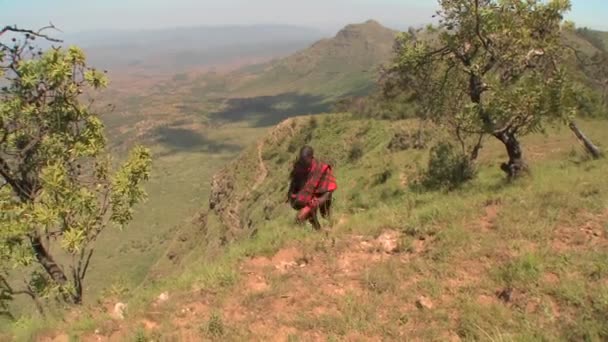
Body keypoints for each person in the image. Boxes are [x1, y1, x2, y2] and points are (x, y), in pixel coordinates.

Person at [287, 146, 337, 230]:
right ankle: (318, 230)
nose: (303, 163)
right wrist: (293, 196)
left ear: (311, 157)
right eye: (301, 160)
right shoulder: (299, 168)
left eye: (305, 160)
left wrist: (312, 205)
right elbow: (294, 183)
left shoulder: (321, 169)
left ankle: (333, 226)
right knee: (304, 216)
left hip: (321, 196)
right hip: (307, 196)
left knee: (325, 214)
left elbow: (329, 191)